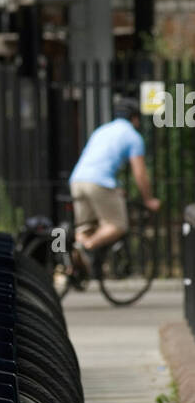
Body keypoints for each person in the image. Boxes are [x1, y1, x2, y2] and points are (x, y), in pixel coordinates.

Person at [69, 95, 161, 277]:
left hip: (77, 180)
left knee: (86, 227)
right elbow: (140, 173)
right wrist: (148, 199)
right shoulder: (133, 137)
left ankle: (74, 268)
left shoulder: (102, 130)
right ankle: (84, 247)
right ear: (134, 118)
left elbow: (98, 161)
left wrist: (115, 187)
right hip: (98, 182)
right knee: (118, 224)